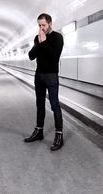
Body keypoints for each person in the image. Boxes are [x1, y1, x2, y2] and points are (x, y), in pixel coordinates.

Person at [24, 13, 64, 151]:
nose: (41, 28)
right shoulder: (38, 38)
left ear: (50, 24)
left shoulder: (58, 38)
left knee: (54, 105)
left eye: (43, 25)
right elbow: (31, 56)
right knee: (39, 104)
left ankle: (59, 135)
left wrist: (44, 42)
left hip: (51, 75)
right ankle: (39, 131)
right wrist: (39, 43)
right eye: (39, 25)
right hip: (39, 75)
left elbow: (54, 57)